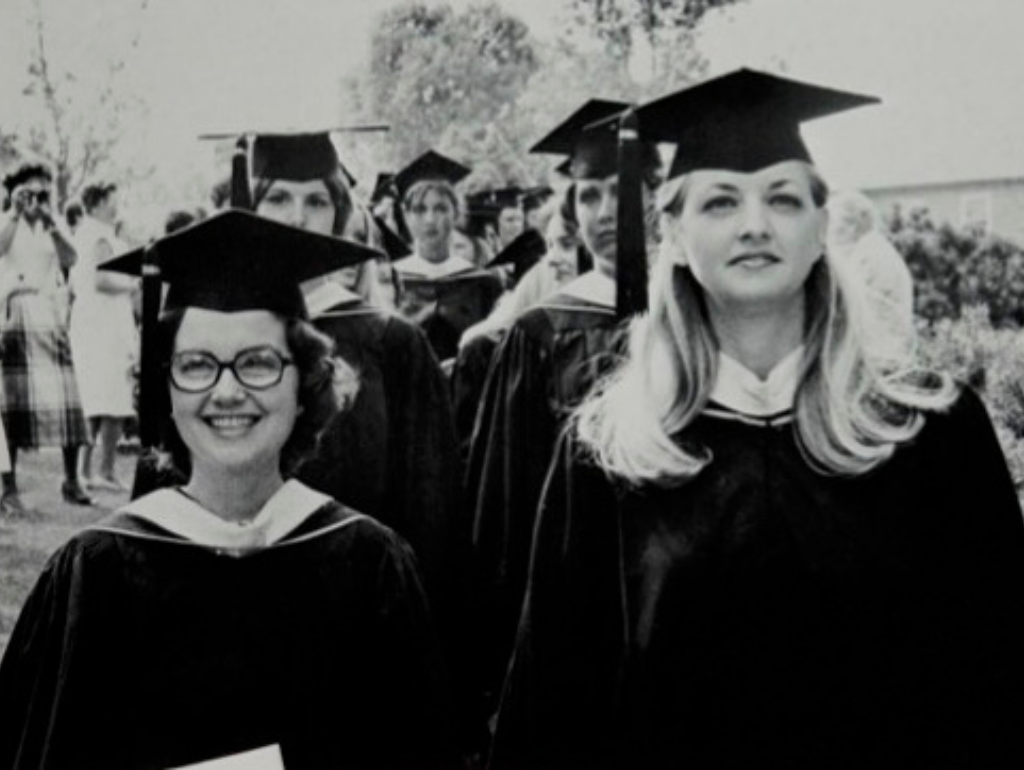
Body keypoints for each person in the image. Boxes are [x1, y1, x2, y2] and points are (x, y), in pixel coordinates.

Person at [490, 69, 1024, 769]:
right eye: (720, 202)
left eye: (782, 198)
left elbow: (997, 674)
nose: (754, 225)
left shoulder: (929, 432)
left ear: (821, 227)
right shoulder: (611, 453)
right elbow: (554, 706)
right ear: (674, 233)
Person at [0, 210, 459, 769]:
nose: (227, 391)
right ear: (165, 388)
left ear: (305, 384)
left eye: (258, 363)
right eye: (197, 365)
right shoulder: (96, 573)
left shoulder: (370, 565)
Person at [463, 98, 660, 726]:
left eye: (622, 191)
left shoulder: (697, 320)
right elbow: (504, 513)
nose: (604, 213)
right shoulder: (539, 333)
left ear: (659, 196)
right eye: (590, 195)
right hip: (573, 611)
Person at [0, 163, 92, 514]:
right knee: (14, 401)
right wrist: (14, 212)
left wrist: (51, 222)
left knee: (68, 398)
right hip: (16, 310)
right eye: (30, 191)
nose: (37, 198)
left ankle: (71, 480)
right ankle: (9, 487)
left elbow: (71, 258)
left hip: (49, 312)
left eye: (43, 192)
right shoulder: (8, 221)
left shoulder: (52, 224)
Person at [393, 150, 502, 363]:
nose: (430, 219)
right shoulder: (391, 279)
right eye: (419, 209)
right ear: (406, 216)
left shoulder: (483, 284)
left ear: (456, 214)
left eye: (441, 208)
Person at [69, 181, 138, 493]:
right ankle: (101, 471)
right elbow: (102, 280)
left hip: (99, 320)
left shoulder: (94, 232)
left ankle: (92, 471)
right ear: (97, 203)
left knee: (102, 396)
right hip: (103, 323)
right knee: (107, 395)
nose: (116, 204)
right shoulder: (98, 235)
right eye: (112, 200)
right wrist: (135, 284)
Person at [827, 188, 916, 364]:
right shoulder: (872, 250)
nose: (829, 233)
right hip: (885, 354)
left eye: (833, 224)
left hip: (880, 357)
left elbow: (843, 311)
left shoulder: (869, 256)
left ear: (851, 225)